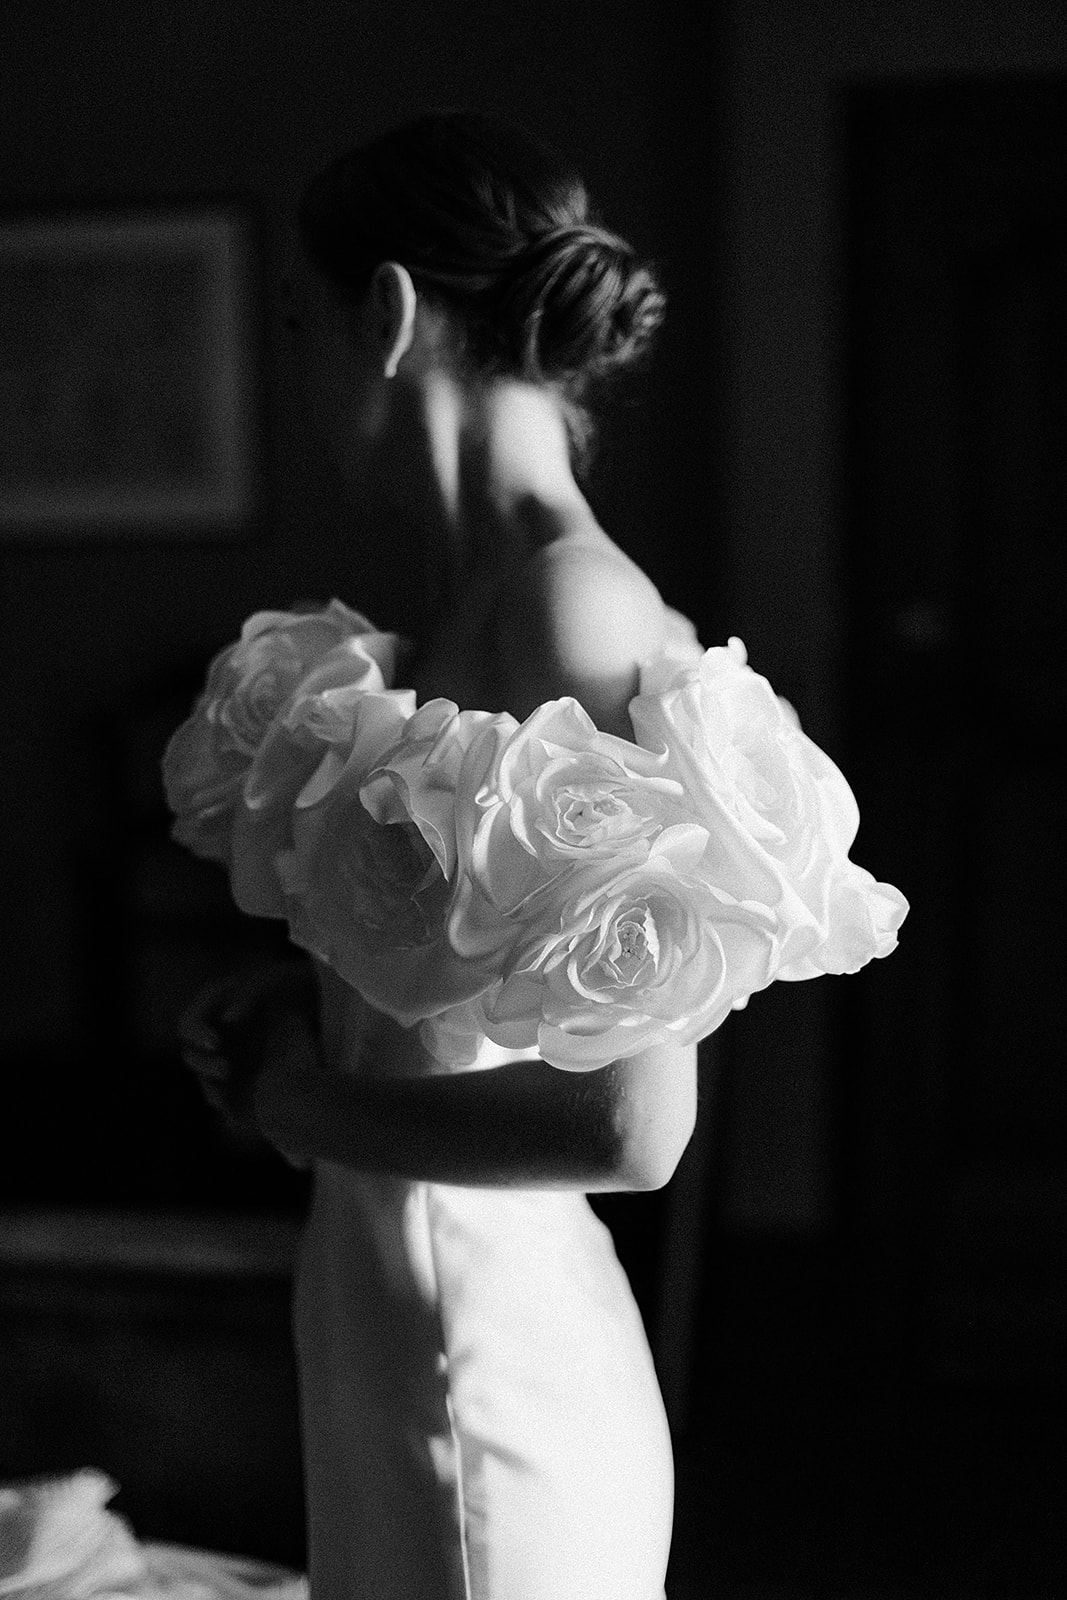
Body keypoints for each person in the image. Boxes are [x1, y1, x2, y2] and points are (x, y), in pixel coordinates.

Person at [181, 110, 693, 1600]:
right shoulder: (458, 607)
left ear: (389, 314)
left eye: (299, 321)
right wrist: (310, 1010)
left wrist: (300, 1097)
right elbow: (462, 1010)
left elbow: (627, 1127)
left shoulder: (570, 609)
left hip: (491, 1360)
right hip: (383, 1311)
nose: (293, 370)